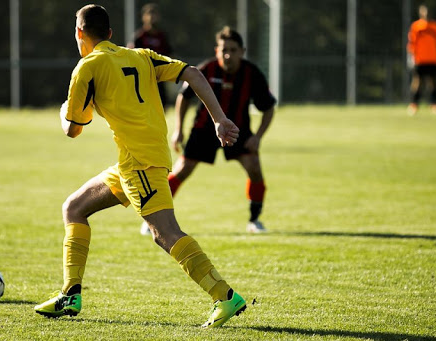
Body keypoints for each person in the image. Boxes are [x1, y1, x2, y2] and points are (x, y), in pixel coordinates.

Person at [34, 5, 246, 329]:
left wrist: (65, 111)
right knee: (74, 207)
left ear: (79, 34)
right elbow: (192, 72)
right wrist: (219, 118)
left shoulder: (87, 67)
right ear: (110, 34)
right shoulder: (141, 56)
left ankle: (224, 295)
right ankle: (70, 294)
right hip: (132, 161)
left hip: (140, 164)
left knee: (166, 233)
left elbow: (73, 128)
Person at [141, 26, 275, 235]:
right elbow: (183, 98)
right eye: (224, 50)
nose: (228, 55)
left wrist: (258, 137)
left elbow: (268, 108)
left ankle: (254, 220)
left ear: (242, 51)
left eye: (233, 50)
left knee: (255, 168)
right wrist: (178, 129)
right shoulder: (206, 70)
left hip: (237, 130)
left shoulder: (252, 74)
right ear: (217, 51)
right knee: (182, 170)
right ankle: (154, 218)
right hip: (204, 129)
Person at [128, 3, 172, 109]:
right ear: (144, 17)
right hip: (143, 78)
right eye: (149, 14)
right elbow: (131, 56)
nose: (152, 17)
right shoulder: (139, 37)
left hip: (159, 77)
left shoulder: (162, 36)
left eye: (154, 14)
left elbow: (168, 54)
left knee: (162, 105)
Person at [407, 4, 436, 115]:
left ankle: (434, 105)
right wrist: (411, 56)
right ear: (421, 13)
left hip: (433, 59)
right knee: (417, 82)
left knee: (433, 82)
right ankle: (414, 105)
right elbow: (412, 43)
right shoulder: (416, 26)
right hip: (420, 59)